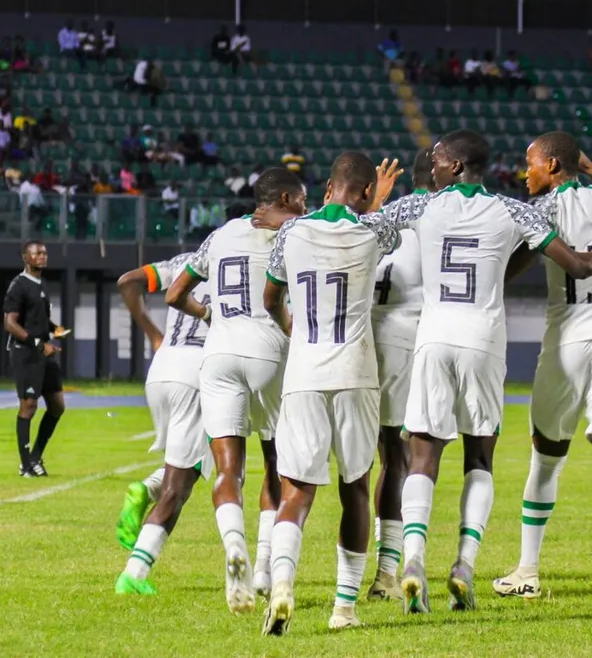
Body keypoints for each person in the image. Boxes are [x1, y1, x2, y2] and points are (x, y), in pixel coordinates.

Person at [379, 129, 592, 614]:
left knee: (432, 457)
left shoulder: (423, 206)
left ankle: (431, 560)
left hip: (452, 337)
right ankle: (474, 565)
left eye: (439, 160)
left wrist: (377, 202)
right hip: (530, 340)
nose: (525, 172)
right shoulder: (525, 207)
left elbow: (365, 228)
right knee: (491, 459)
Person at [492, 131, 592, 610]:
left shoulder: (544, 211)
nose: (527, 172)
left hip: (566, 341)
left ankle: (528, 570)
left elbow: (510, 265)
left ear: (555, 166)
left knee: (545, 455)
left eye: (532, 163)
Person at [259, 152, 403, 634]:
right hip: (356, 372)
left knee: (295, 491)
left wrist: (290, 326)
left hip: (304, 372)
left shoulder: (290, 233)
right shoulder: (373, 232)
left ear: (325, 189)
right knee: (356, 487)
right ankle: (344, 608)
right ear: (365, 193)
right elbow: (379, 223)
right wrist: (377, 202)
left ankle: (281, 586)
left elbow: (270, 296)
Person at [165, 167, 306, 613]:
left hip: (218, 353)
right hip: (269, 352)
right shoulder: (296, 231)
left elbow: (174, 294)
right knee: (276, 461)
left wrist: (207, 316)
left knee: (228, 468)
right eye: (301, 198)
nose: (305, 206)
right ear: (285, 197)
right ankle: (264, 566)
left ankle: (233, 547)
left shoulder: (221, 234)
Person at [114, 246, 215, 594]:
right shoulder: (251, 257)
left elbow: (128, 282)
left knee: (199, 462)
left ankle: (150, 488)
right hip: (198, 370)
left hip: (162, 367)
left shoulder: (183, 261)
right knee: (180, 484)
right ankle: (134, 573)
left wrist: (153, 334)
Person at [366, 149, 435, 602]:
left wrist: (373, 204)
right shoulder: (441, 216)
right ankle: (387, 571)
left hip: (364, 333)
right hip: (406, 337)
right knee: (402, 458)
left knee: (371, 460)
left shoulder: (386, 215)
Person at [2, 241, 69, 477]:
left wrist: (54, 328)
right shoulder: (19, 285)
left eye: (45, 253)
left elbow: (39, 318)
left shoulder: (42, 284)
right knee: (28, 405)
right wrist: (39, 344)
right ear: (25, 257)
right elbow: (10, 323)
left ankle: (36, 456)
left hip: (44, 351)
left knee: (58, 406)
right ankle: (25, 465)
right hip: (26, 352)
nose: (43, 256)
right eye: (37, 253)